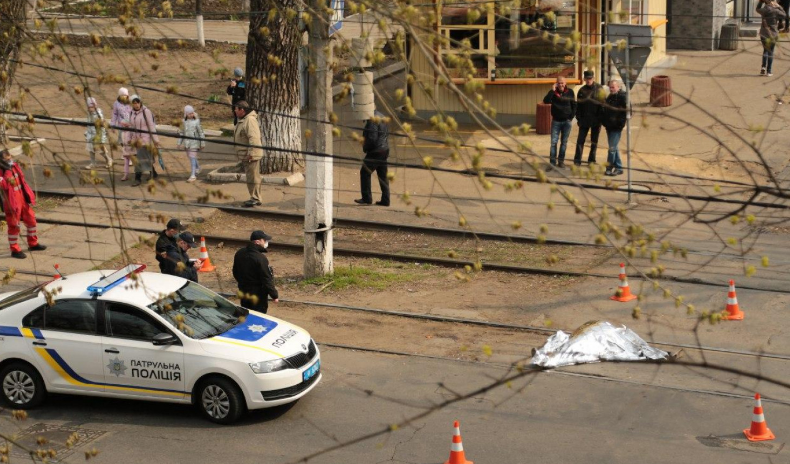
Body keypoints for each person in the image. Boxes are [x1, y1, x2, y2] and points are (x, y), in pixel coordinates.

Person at [0, 149, 47, 259]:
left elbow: (22, 179)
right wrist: (7, 171)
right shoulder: (2, 171)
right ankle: (15, 249)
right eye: (7, 159)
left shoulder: (14, 166)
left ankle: (33, 243)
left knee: (31, 220)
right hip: (11, 200)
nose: (10, 160)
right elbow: (4, 186)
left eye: (10, 157)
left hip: (21, 196)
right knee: (14, 225)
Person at [233, 230, 279, 314]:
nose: (266, 242)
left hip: (243, 291)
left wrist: (242, 283)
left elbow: (235, 272)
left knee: (246, 314)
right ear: (257, 242)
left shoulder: (239, 253)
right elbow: (266, 278)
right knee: (259, 316)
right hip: (258, 295)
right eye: (264, 240)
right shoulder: (260, 258)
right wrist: (274, 295)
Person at [355, 111, 390, 206]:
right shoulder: (382, 115)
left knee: (365, 172)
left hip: (376, 151)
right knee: (383, 175)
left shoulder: (372, 121)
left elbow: (372, 139)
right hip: (384, 149)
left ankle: (367, 198)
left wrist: (366, 148)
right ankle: (386, 199)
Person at [233, 100, 263, 207]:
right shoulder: (243, 119)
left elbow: (254, 138)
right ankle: (255, 197)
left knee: (253, 177)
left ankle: (255, 198)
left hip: (250, 155)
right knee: (252, 177)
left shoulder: (249, 120)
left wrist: (252, 153)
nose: (235, 111)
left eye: (236, 109)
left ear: (242, 110)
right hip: (247, 154)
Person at [542, 76, 576, 169]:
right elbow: (546, 101)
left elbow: (574, 105)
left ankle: (561, 162)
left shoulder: (570, 92)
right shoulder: (553, 92)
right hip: (556, 121)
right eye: (559, 83)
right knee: (553, 143)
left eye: (562, 83)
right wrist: (552, 91)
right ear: (556, 83)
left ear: (565, 83)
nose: (561, 84)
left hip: (567, 122)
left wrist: (571, 117)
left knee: (564, 142)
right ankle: (552, 163)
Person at [128, 94, 161, 186]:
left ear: (140, 102)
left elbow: (151, 126)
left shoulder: (146, 112)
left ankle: (138, 178)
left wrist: (155, 139)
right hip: (136, 140)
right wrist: (129, 138)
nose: (136, 105)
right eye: (134, 103)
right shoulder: (131, 113)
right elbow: (131, 127)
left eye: (137, 102)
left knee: (144, 158)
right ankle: (153, 174)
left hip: (145, 139)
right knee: (140, 158)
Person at [573, 70, 604, 166]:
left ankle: (591, 160)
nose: (589, 80)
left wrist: (600, 119)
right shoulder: (582, 90)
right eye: (587, 78)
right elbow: (578, 106)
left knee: (594, 142)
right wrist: (578, 119)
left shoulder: (599, 89)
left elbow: (603, 105)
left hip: (596, 120)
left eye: (590, 78)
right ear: (584, 79)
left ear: (593, 78)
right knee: (580, 141)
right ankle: (577, 160)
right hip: (584, 120)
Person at [602, 79, 628, 177]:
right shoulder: (610, 96)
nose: (611, 89)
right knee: (614, 147)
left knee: (612, 149)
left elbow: (626, 112)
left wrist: (620, 124)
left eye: (613, 87)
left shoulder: (622, 97)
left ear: (618, 87)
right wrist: (604, 122)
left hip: (616, 127)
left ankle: (609, 168)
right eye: (610, 87)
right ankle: (619, 167)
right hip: (609, 126)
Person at [176, 105, 206, 182]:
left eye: (192, 113)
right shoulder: (183, 122)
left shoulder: (197, 121)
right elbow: (181, 133)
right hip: (187, 144)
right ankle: (198, 167)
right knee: (191, 156)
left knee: (192, 157)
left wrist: (202, 143)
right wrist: (179, 143)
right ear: (186, 114)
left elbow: (201, 132)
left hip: (194, 143)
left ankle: (193, 175)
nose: (191, 115)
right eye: (189, 113)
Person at [757, 0, 787, 76]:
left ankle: (763, 67)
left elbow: (757, 9)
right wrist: (779, 6)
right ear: (772, 2)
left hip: (764, 32)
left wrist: (761, 2)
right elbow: (784, 15)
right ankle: (769, 71)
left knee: (765, 50)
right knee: (771, 51)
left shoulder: (764, 10)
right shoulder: (776, 11)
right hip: (773, 33)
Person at [111, 87, 133, 181]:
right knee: (121, 140)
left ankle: (130, 157)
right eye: (122, 95)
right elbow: (115, 114)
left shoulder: (131, 102)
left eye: (125, 95)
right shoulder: (116, 104)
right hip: (121, 126)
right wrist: (113, 124)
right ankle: (125, 151)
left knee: (130, 142)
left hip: (131, 126)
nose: (124, 97)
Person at [84, 97, 113, 170]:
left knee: (101, 150)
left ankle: (109, 159)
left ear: (95, 106)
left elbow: (102, 125)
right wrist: (87, 132)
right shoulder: (89, 113)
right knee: (91, 149)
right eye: (88, 107)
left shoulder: (98, 114)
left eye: (91, 107)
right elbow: (89, 123)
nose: (90, 109)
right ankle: (93, 163)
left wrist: (100, 136)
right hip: (90, 134)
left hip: (98, 135)